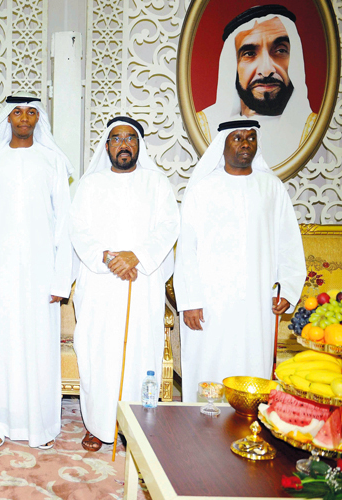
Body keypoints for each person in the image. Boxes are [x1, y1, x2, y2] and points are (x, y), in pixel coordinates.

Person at [174, 119, 306, 402]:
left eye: (250, 138)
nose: (245, 144)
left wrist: (287, 289)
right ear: (222, 144)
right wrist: (190, 301)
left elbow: (288, 243)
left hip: (256, 304)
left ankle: (250, 422)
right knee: (209, 365)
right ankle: (202, 424)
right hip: (210, 303)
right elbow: (186, 250)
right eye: (237, 138)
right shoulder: (202, 189)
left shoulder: (271, 188)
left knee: (252, 367)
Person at [69, 117, 180, 451]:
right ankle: (97, 424)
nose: (123, 144)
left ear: (139, 145)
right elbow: (78, 229)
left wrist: (137, 257)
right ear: (106, 146)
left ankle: (136, 426)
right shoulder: (90, 185)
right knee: (97, 353)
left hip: (142, 283)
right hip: (99, 285)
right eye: (116, 139)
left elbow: (168, 226)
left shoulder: (156, 183)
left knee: (139, 355)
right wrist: (108, 258)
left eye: (130, 138)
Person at [0, 93, 73, 449]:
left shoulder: (53, 163)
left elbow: (64, 225)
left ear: (38, 118)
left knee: (39, 348)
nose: (24, 118)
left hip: (41, 274)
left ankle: (39, 426)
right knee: (0, 347)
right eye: (17, 112)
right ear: (8, 118)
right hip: (0, 273)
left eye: (31, 112)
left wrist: (61, 280)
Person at [197, 5, 316, 167]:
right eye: (249, 53)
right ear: (233, 66)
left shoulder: (314, 130)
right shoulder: (204, 126)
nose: (266, 71)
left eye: (280, 50)